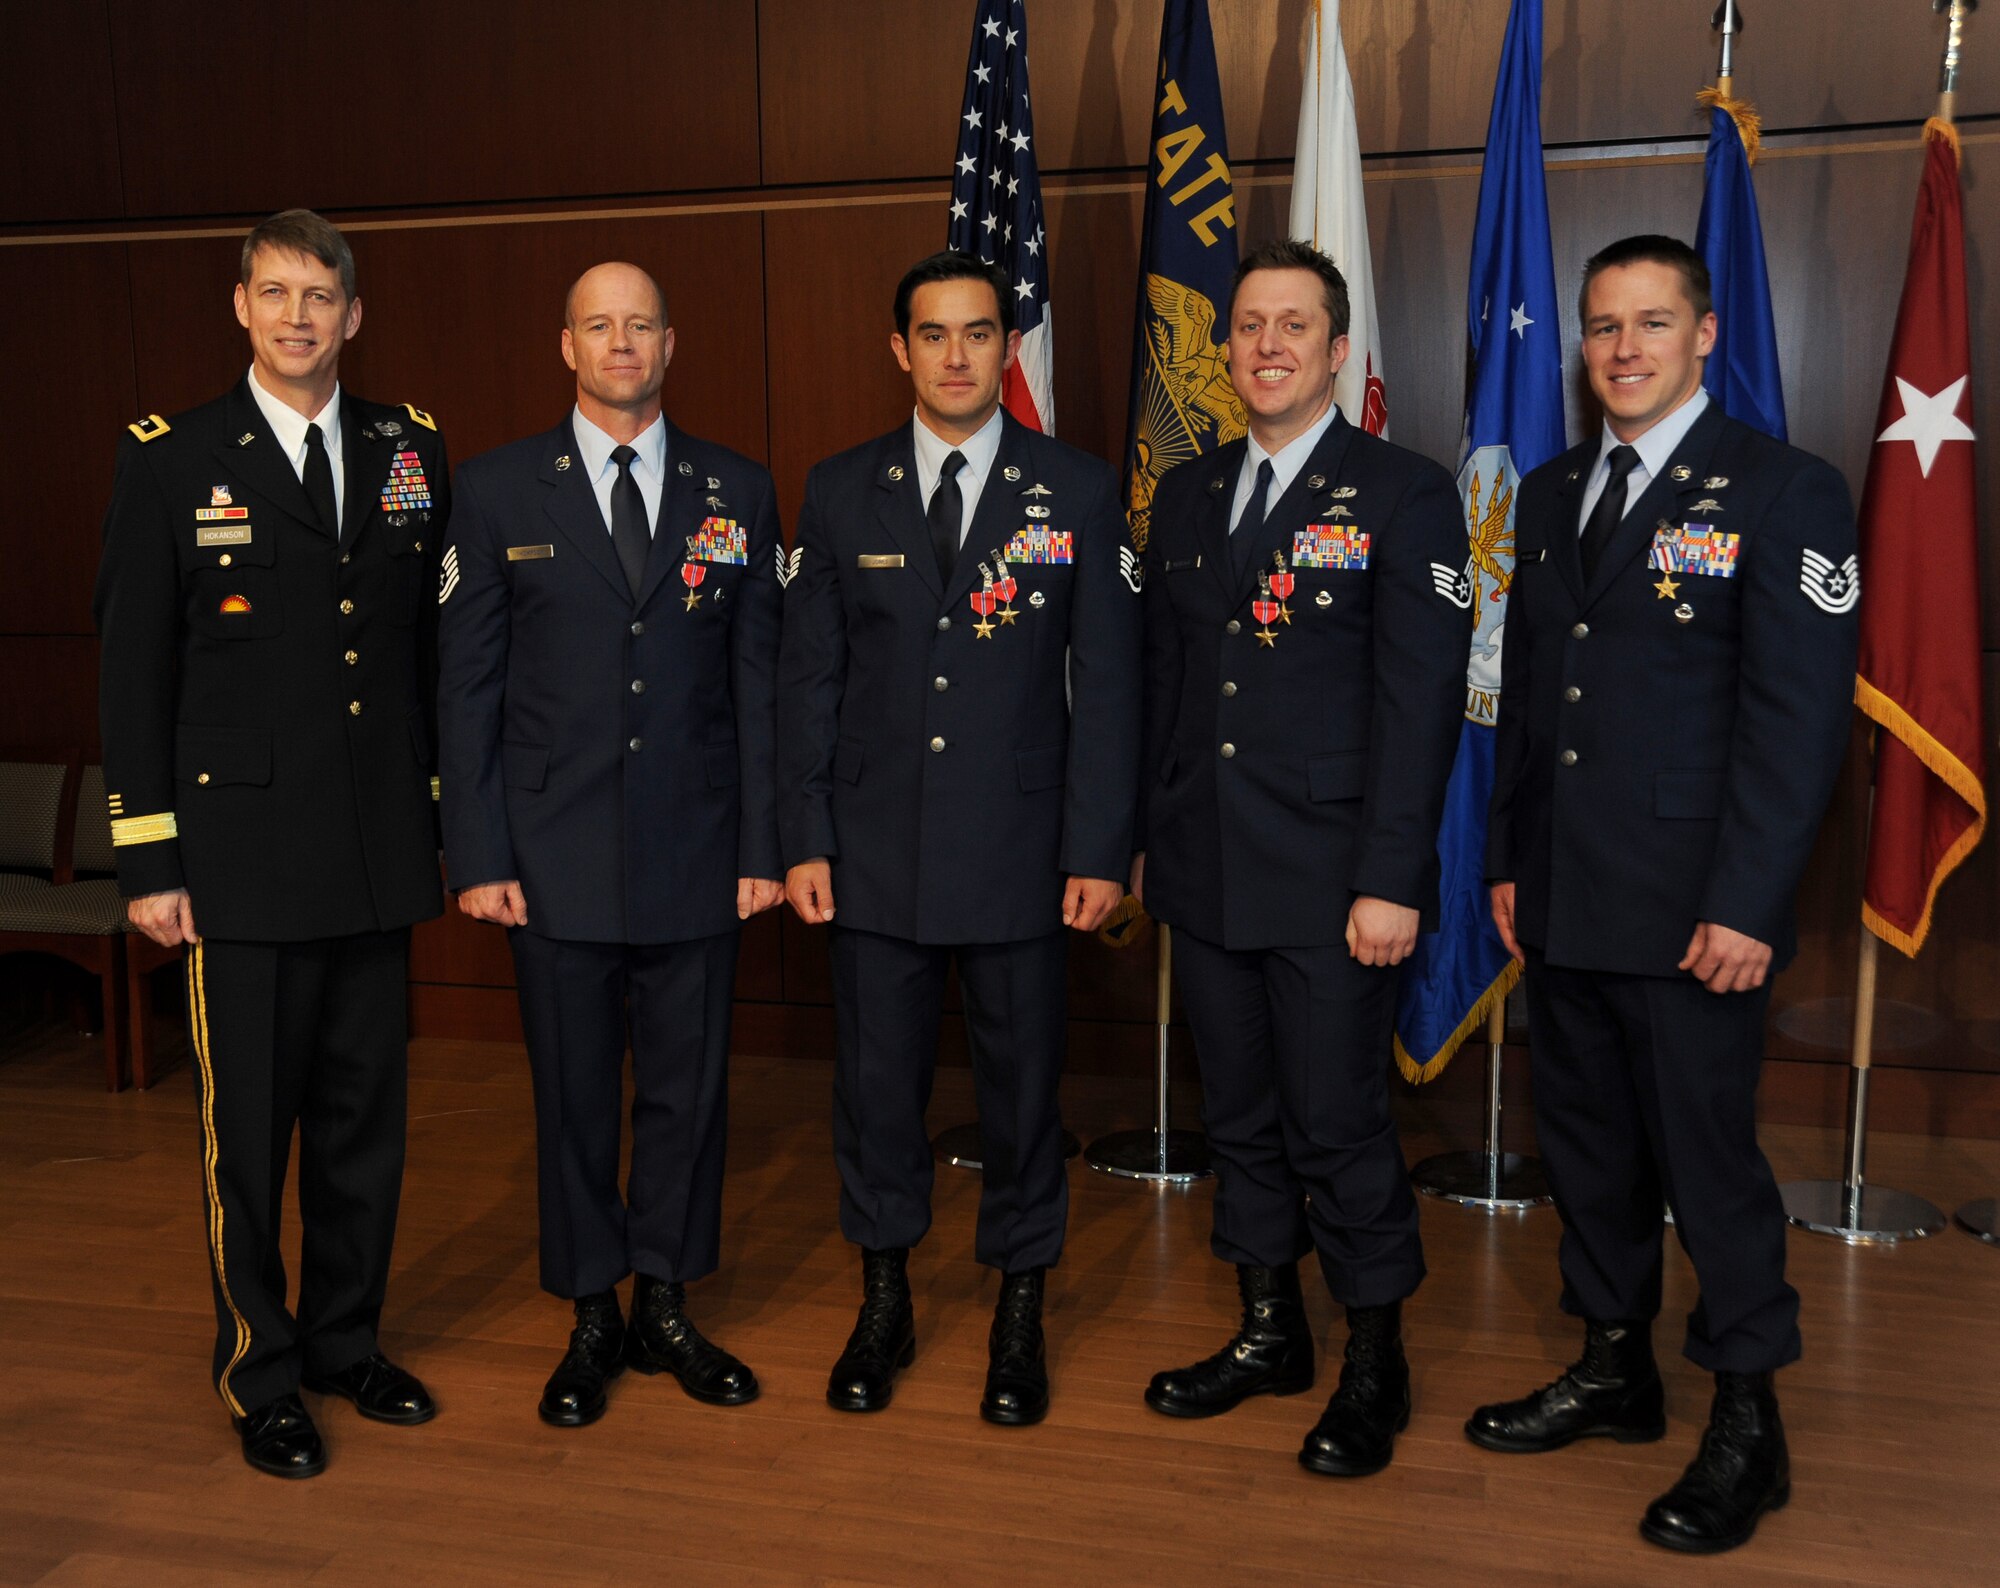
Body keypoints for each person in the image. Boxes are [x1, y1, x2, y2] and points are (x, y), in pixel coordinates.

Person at [1473, 235, 1859, 1554]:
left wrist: (1750, 903)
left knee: (1710, 1163)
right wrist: (1511, 860)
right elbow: (1534, 700)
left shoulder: (1785, 491)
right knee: (1586, 1147)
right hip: (1571, 894)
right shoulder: (1553, 489)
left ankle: (1749, 1417)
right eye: (1600, 327)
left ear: (1705, 336)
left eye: (1650, 323)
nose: (1623, 348)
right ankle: (1616, 1364)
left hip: (1700, 908)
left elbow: (1796, 724)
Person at [94, 209, 447, 1478]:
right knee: (247, 1136)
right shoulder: (172, 460)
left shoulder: (410, 449)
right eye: (276, 293)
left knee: (365, 1125)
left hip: (371, 850)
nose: (300, 317)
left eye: (322, 297)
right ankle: (261, 1370)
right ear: (240, 307)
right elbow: (133, 673)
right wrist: (148, 859)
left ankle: (348, 1339)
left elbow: (422, 653)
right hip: (236, 863)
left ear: (354, 316)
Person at [777, 250, 1141, 1426]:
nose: (953, 356)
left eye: (977, 333)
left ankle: (1019, 1305)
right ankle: (882, 1298)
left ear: (1006, 346)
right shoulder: (838, 491)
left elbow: (1112, 689)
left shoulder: (1077, 491)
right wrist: (804, 833)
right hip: (872, 854)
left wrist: (1096, 849)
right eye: (931, 335)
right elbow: (809, 681)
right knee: (877, 1095)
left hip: (1022, 853)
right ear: (900, 350)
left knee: (1022, 1094)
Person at [1132, 238, 1467, 1478]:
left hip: (1336, 881)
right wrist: (1150, 841)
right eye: (1247, 326)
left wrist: (1392, 879)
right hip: (1208, 869)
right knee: (1242, 1119)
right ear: (1223, 353)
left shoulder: (1403, 492)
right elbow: (1169, 690)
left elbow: (1418, 702)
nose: (1266, 345)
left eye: (1293, 325)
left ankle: (1373, 1357)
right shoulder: (1183, 493)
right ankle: (1268, 1329)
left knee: (1335, 1122)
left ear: (1338, 350)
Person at [437, 262, 783, 1428]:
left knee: (687, 1097)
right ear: (566, 344)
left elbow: (758, 683)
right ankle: (592, 1307)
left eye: (640, 325)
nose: (620, 343)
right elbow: (467, 686)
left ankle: (669, 1302)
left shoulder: (737, 487)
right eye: (599, 324)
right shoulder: (492, 493)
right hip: (550, 856)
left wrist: (762, 842)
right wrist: (477, 853)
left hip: (699, 847)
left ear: (670, 345)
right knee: (575, 1094)